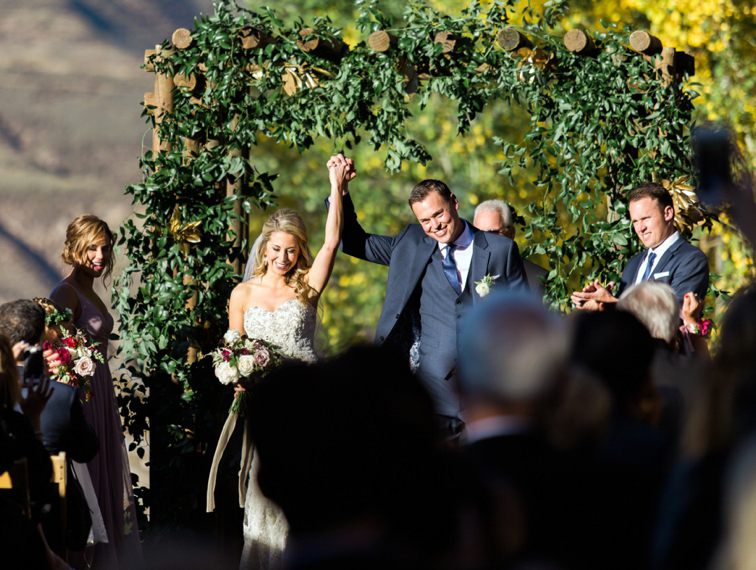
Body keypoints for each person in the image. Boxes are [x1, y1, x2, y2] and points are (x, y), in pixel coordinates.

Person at [213, 154, 352, 570]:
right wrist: (236, 375)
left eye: (292, 250)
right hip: (266, 407)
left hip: (310, 403)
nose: (283, 257)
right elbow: (231, 348)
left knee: (307, 493)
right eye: (276, 248)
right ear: (265, 248)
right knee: (262, 494)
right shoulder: (243, 294)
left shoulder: (308, 285)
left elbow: (331, 242)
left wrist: (336, 187)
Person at [330, 166, 528, 441]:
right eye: (425, 221)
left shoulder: (501, 250)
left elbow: (521, 315)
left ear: (454, 202)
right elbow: (353, 240)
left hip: (488, 385)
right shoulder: (410, 244)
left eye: (438, 214)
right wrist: (340, 190)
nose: (434, 225)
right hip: (434, 386)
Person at [49, 215, 142, 570]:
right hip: (85, 397)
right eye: (92, 248)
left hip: (101, 394)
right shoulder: (65, 292)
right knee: (89, 477)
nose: (100, 255)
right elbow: (55, 352)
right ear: (74, 249)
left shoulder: (88, 289)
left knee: (103, 475)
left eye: (105, 247)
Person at [571, 182, 709, 310]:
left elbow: (676, 315)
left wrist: (613, 302)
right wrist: (601, 305)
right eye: (635, 221)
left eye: (646, 219)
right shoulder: (633, 263)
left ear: (668, 213)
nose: (640, 228)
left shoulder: (691, 259)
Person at [473, 200, 548, 297]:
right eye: (479, 234)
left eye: (492, 233)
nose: (485, 240)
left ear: (511, 233)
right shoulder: (463, 271)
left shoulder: (537, 279)